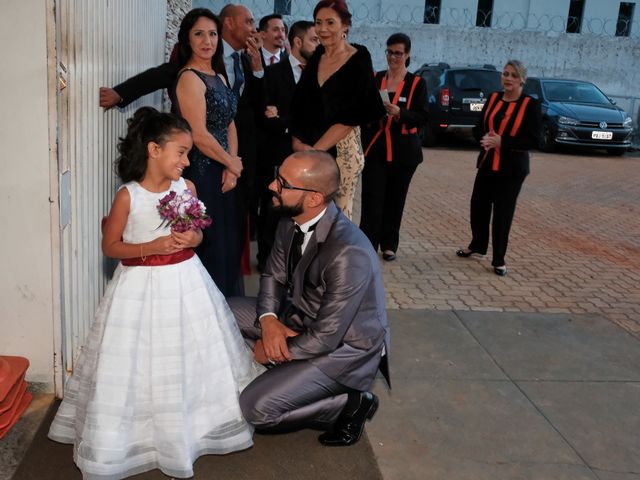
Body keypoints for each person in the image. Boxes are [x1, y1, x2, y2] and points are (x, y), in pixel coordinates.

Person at [48, 107, 263, 479]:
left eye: (188, 153)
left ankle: (193, 427)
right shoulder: (128, 196)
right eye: (181, 152)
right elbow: (111, 247)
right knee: (138, 358)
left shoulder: (187, 189)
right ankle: (138, 433)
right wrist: (154, 246)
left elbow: (197, 232)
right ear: (153, 150)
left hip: (186, 282)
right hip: (140, 287)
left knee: (187, 352)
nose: (187, 160)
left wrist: (190, 237)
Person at [228, 150, 390, 447]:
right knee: (223, 311)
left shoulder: (348, 252)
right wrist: (268, 321)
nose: (272, 186)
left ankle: (349, 402)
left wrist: (274, 349)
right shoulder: (289, 220)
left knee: (255, 409)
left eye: (283, 183)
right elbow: (273, 277)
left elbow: (327, 338)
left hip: (343, 348)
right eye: (278, 177)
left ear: (314, 198)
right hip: (302, 319)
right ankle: (286, 366)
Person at [290, 0, 385, 219]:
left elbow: (351, 116)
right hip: (309, 146)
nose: (323, 29)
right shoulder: (315, 59)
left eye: (330, 22)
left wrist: (314, 152)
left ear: (345, 26)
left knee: (335, 218)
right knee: (307, 213)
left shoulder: (359, 58)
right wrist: (297, 141)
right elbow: (299, 106)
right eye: (318, 23)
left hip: (342, 152)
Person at [172, 8, 244, 296]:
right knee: (209, 242)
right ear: (188, 39)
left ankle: (225, 311)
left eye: (212, 34)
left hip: (224, 172)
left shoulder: (219, 77)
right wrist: (232, 164)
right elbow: (198, 135)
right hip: (202, 174)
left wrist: (231, 166)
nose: (207, 40)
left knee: (227, 243)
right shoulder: (188, 78)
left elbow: (230, 125)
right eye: (199, 34)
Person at [456, 59, 541, 276]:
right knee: (478, 206)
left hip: (512, 170)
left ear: (522, 79)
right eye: (505, 74)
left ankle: (499, 259)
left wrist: (503, 142)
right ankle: (477, 245)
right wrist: (483, 138)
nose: (508, 78)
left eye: (513, 75)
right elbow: (478, 127)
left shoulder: (529, 105)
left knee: (502, 214)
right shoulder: (493, 98)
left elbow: (534, 140)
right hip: (487, 164)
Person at [256, 20, 320, 272]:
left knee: (304, 208)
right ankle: (266, 260)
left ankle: (298, 260)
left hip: (310, 154)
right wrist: (287, 126)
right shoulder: (272, 73)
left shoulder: (319, 74)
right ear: (297, 42)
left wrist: (282, 118)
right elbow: (264, 116)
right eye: (314, 40)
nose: (319, 45)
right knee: (273, 208)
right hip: (278, 153)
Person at [360, 33, 428, 262]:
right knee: (372, 198)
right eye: (389, 52)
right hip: (376, 149)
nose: (393, 57)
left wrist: (401, 114)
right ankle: (367, 244)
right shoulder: (375, 78)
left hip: (404, 152)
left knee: (395, 200)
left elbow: (423, 116)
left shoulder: (417, 83)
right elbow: (364, 112)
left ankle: (389, 244)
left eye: (398, 53)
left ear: (407, 55)